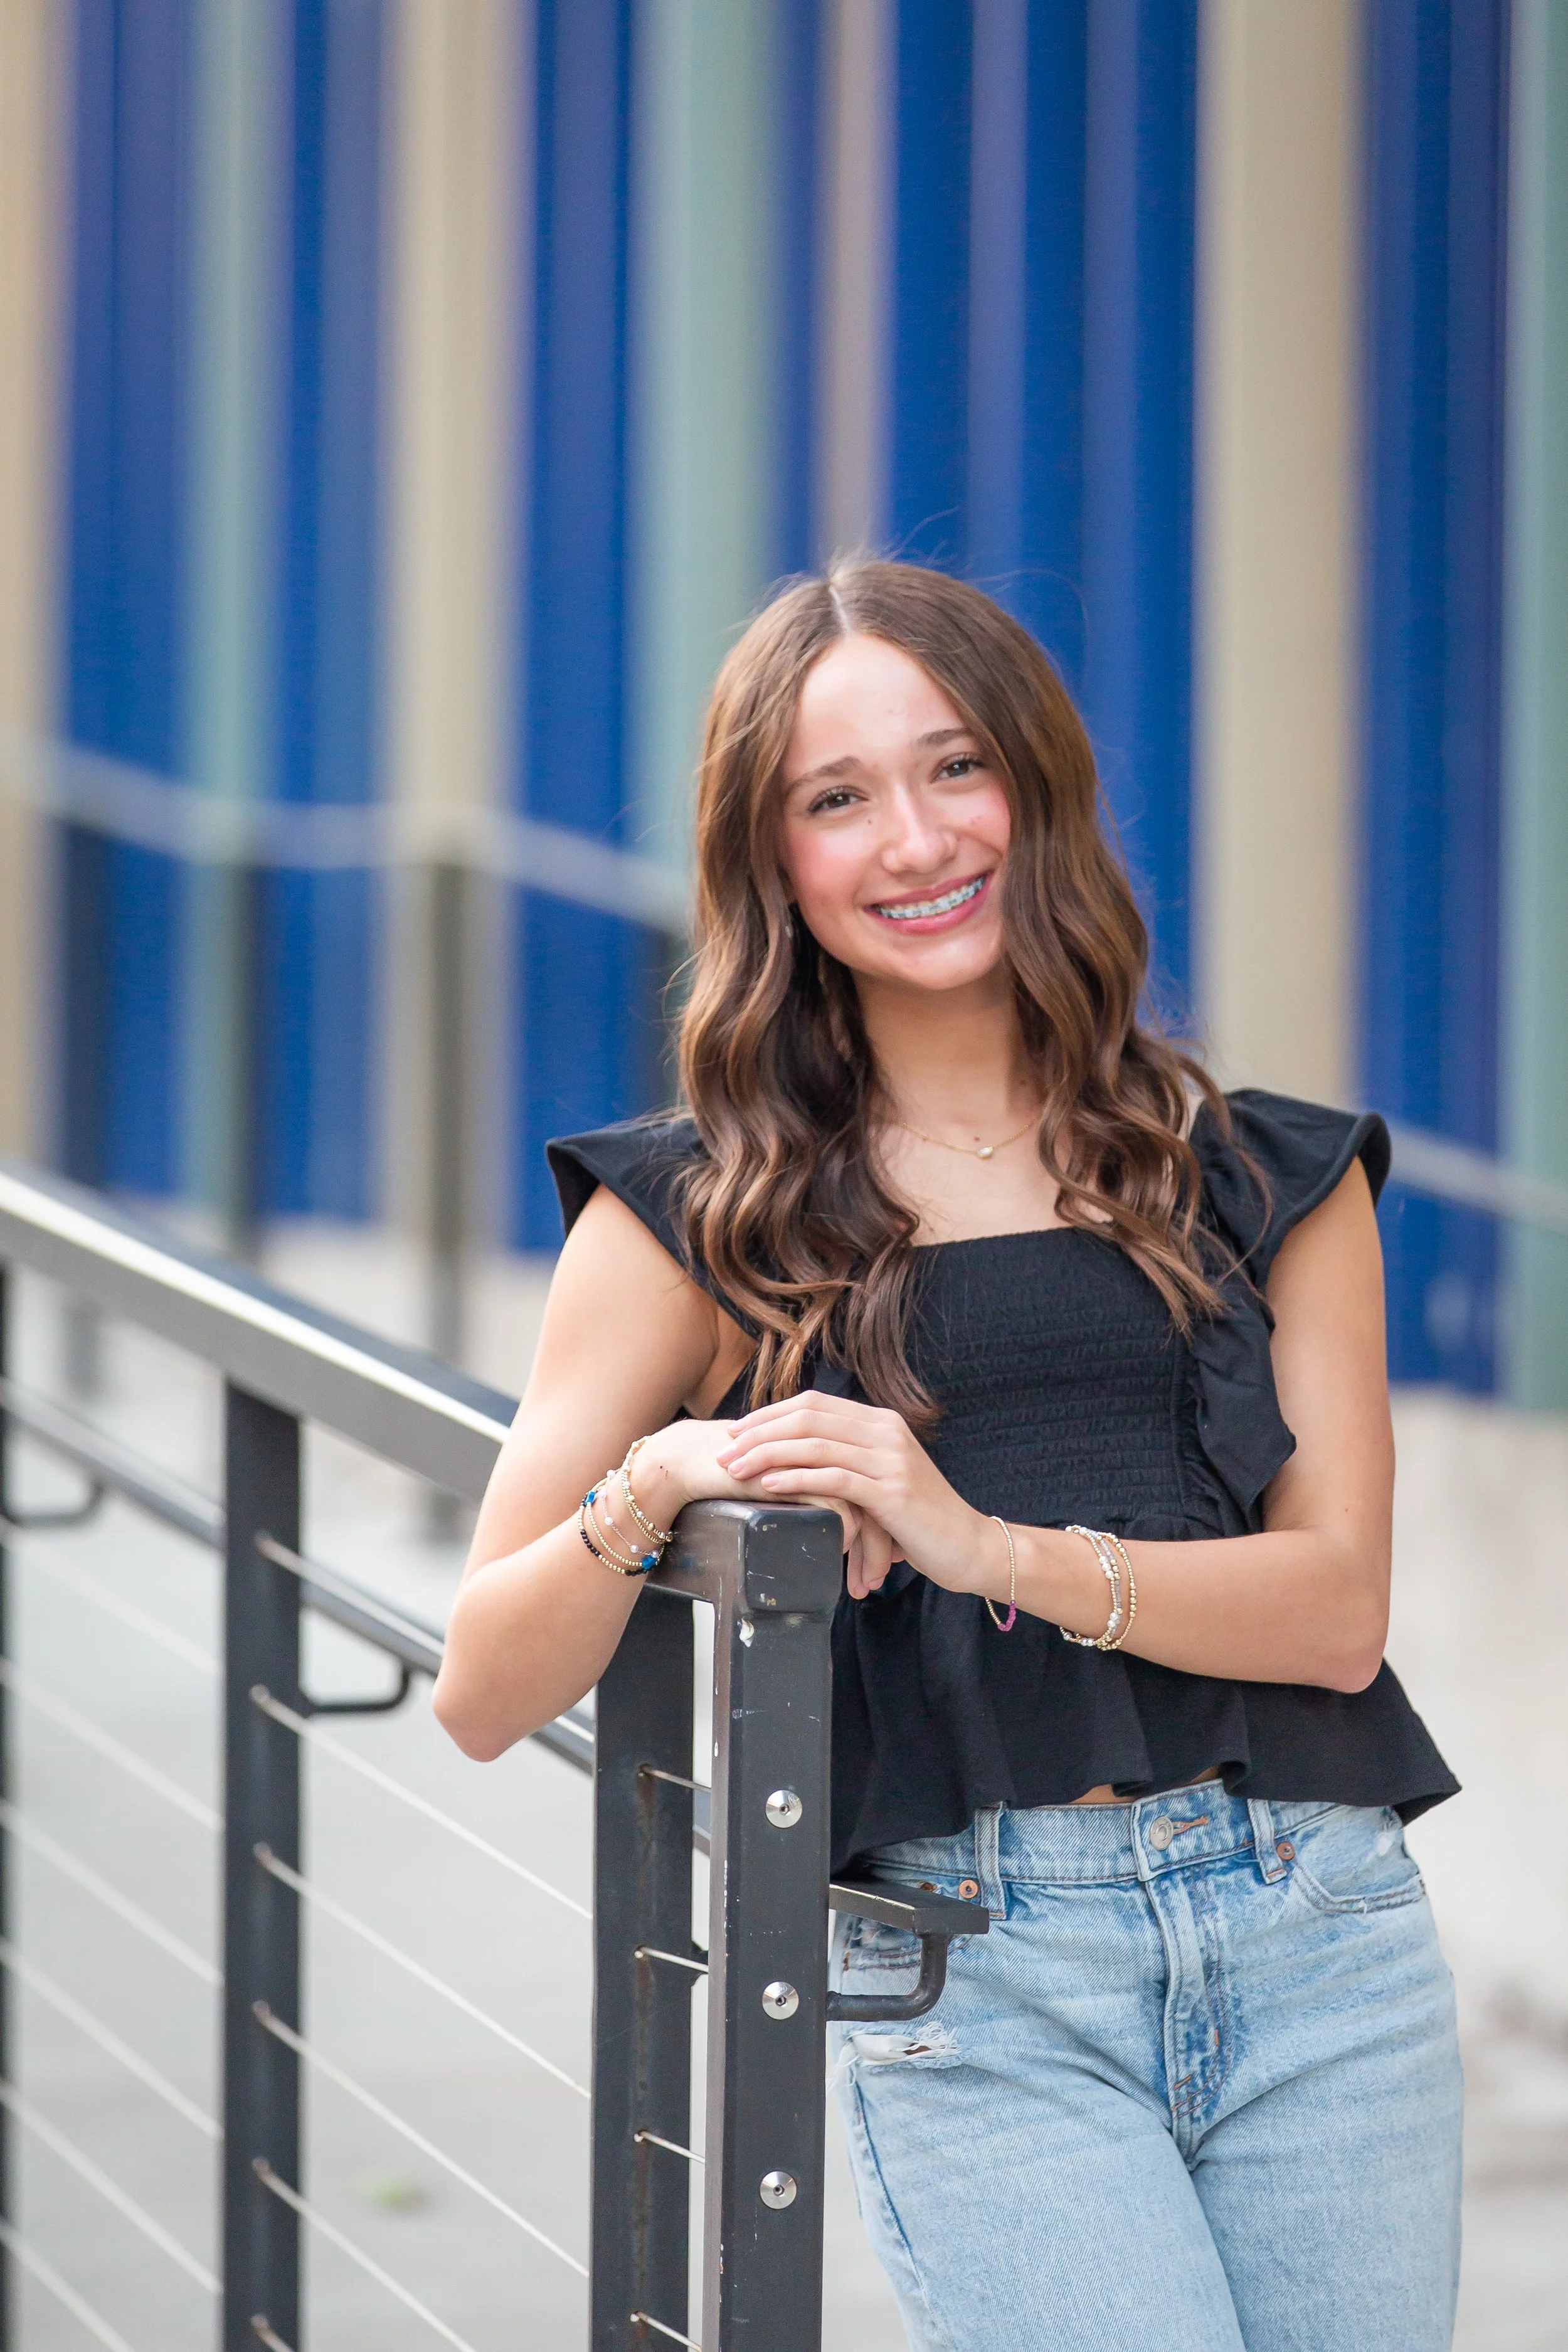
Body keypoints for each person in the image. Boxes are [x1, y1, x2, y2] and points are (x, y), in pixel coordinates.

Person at [433, 559, 1461, 2351]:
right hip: (975, 1971)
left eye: (954, 767)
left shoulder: (1263, 1176)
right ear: (774, 864)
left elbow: (1334, 1615)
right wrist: (668, 1472)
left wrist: (977, 1539)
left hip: (1322, 1935)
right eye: (836, 799)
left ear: (1037, 787)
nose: (912, 838)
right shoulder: (690, 1218)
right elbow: (480, 1681)